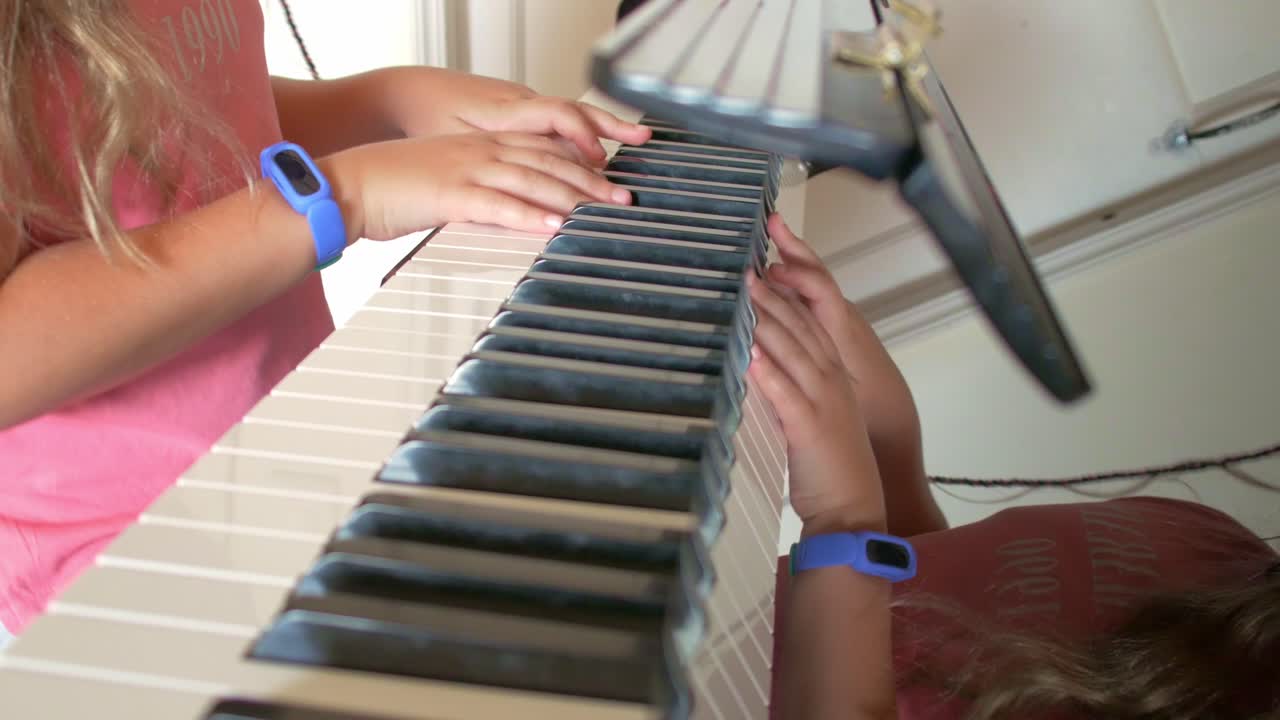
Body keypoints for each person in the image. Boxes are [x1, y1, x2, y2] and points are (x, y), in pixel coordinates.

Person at [0, 0, 652, 645]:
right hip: (125, 564)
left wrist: (386, 102)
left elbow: (177, 108)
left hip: (287, 466)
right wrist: (342, 196)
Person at [752, 215, 1279, 720]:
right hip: (706, 596)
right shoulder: (1213, 543)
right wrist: (876, 407)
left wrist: (845, 516)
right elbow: (924, 563)